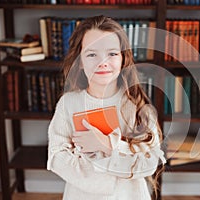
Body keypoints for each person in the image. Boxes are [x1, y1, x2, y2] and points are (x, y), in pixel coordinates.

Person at [47, 15, 166, 200]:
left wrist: (108, 145)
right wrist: (109, 177)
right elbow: (56, 158)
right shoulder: (68, 104)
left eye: (112, 53)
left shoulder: (137, 106)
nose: (102, 62)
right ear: (79, 61)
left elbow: (149, 163)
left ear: (123, 58)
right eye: (92, 54)